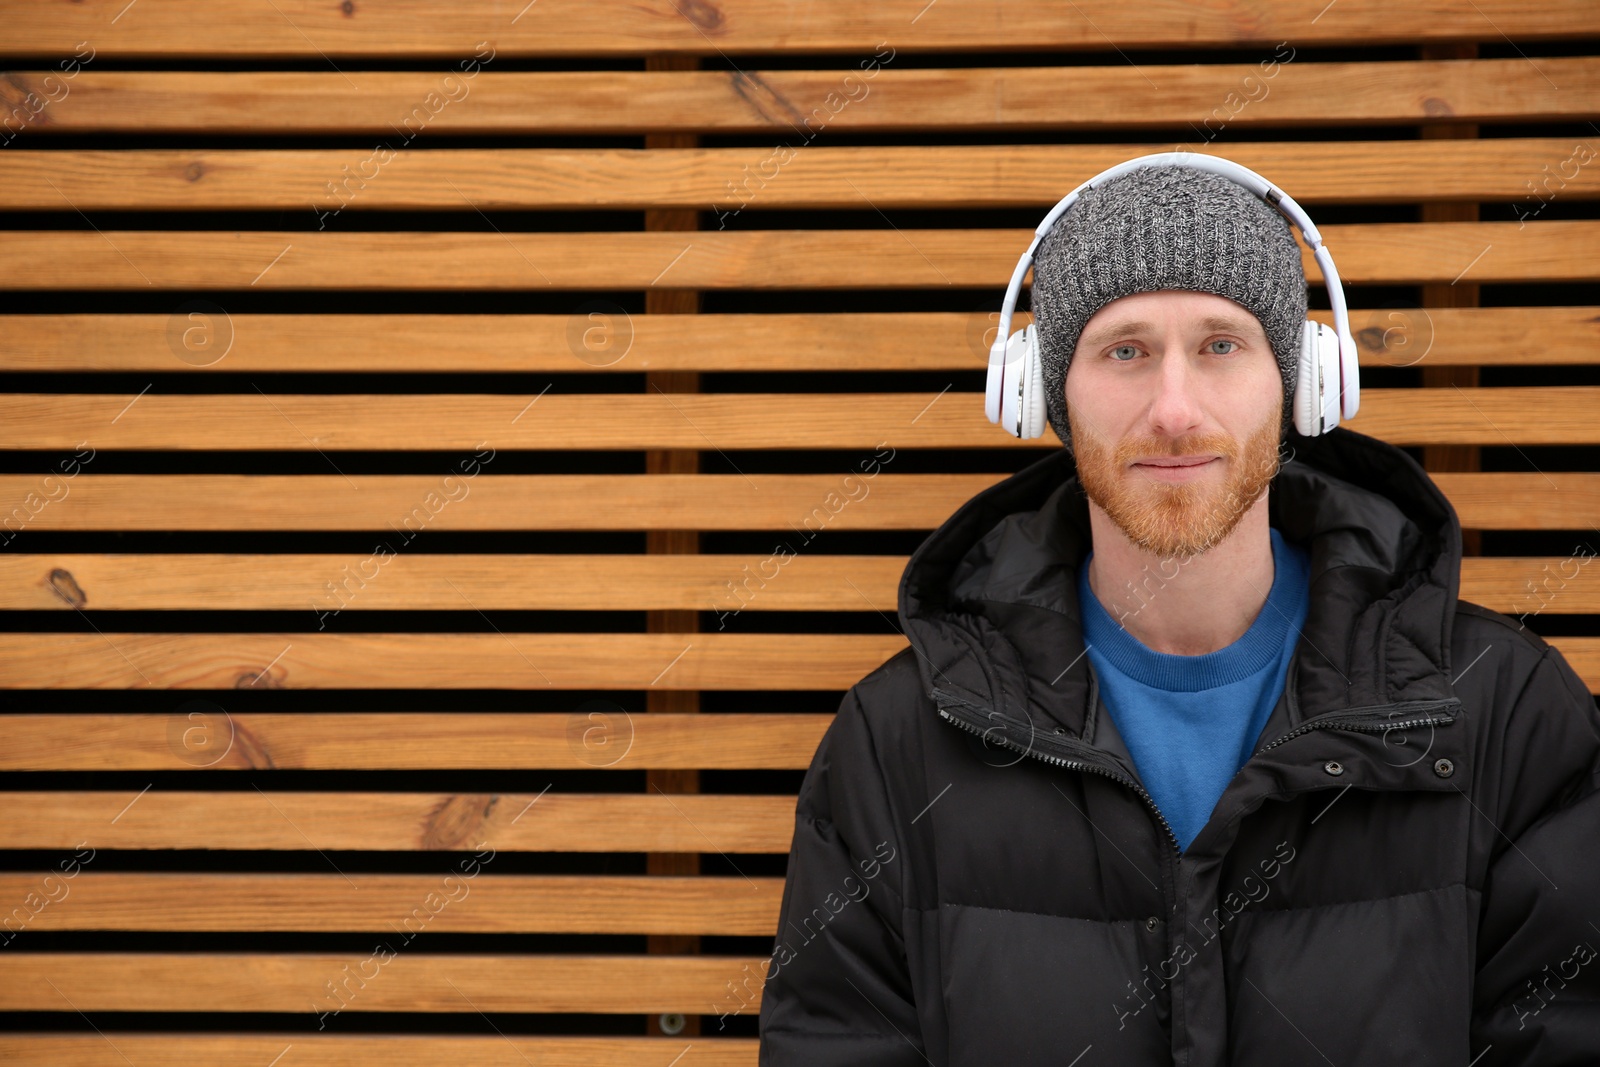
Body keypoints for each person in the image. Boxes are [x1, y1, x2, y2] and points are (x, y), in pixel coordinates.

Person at [757, 161, 1600, 1064]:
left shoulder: (1506, 718)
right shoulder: (894, 748)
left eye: (1220, 346)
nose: (1172, 409)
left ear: (1302, 385)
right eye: (1123, 350)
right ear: (1045, 395)